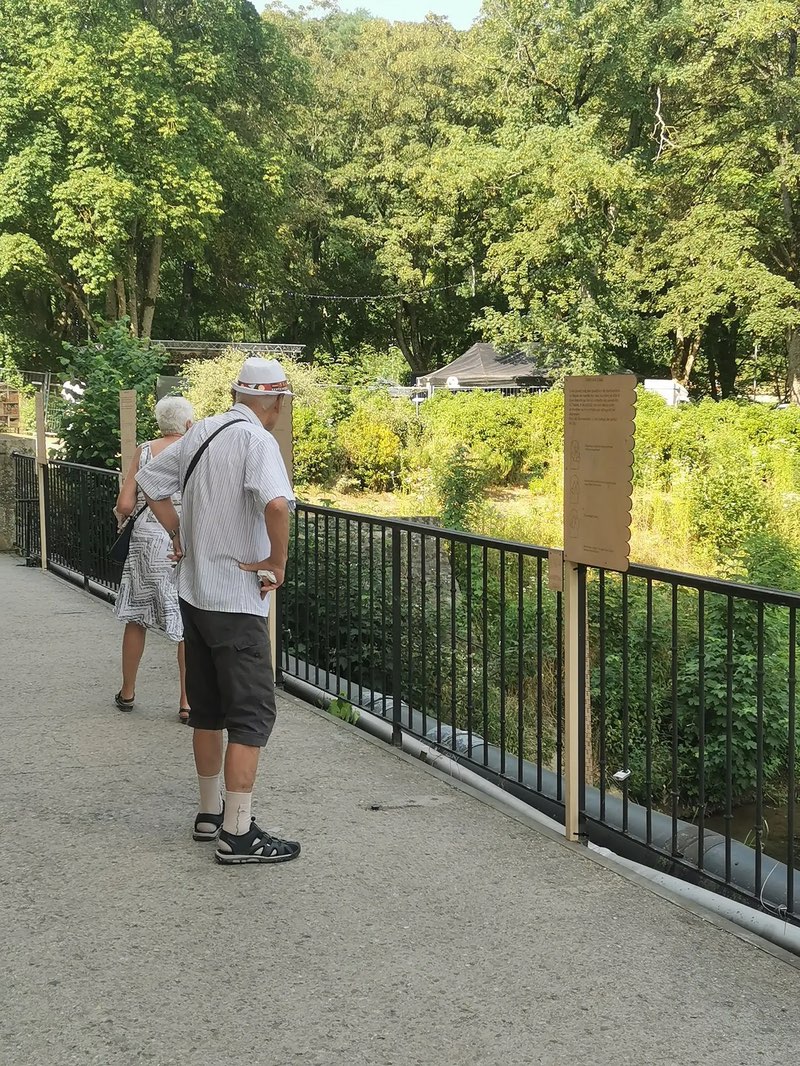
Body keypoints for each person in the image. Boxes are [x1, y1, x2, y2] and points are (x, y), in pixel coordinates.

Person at [136, 357, 301, 866]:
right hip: (235, 600)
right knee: (252, 713)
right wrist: (277, 560)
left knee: (206, 709)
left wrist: (176, 531)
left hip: (195, 594)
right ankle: (239, 832)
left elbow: (148, 479)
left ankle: (210, 813)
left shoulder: (202, 430)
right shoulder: (257, 442)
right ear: (273, 401)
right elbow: (276, 504)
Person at [113, 395, 195, 721]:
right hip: (184, 537)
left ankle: (128, 692)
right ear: (188, 422)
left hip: (148, 538)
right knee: (186, 621)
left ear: (161, 422)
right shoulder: (194, 449)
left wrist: (121, 515)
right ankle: (187, 702)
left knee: (137, 616)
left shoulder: (145, 451)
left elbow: (124, 504)